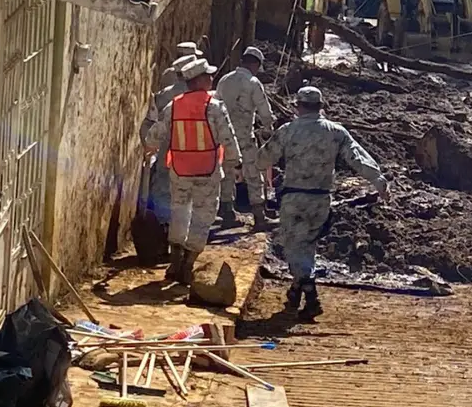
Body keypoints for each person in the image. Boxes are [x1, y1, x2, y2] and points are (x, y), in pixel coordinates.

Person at [258, 86, 388, 321]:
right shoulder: (336, 132)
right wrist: (378, 180)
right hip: (321, 198)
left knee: (294, 247)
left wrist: (243, 166)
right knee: (307, 245)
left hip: (294, 197)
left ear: (297, 107)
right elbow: (357, 157)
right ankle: (295, 292)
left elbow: (263, 158)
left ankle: (311, 296)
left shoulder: (287, 131)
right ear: (320, 107)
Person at [146, 58, 242, 285]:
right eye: (208, 76)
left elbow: (154, 135)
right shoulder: (214, 106)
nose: (211, 79)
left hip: (179, 170)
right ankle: (188, 264)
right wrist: (235, 163)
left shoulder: (174, 105)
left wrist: (149, 147)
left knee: (179, 211)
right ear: (198, 80)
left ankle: (175, 260)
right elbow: (227, 137)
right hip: (207, 170)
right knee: (203, 216)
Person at [137, 45, 204, 241]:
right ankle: (182, 241)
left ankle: (164, 234)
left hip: (168, 153)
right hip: (195, 156)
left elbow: (149, 123)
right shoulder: (204, 97)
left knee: (163, 193)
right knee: (189, 198)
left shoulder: (165, 95)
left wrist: (150, 146)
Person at [216, 46, 277, 232]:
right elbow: (264, 111)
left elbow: (216, 105)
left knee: (226, 173)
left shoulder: (224, 80)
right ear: (255, 64)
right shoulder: (253, 82)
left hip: (224, 136)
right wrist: (269, 127)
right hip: (244, 137)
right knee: (253, 174)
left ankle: (227, 213)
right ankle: (259, 216)